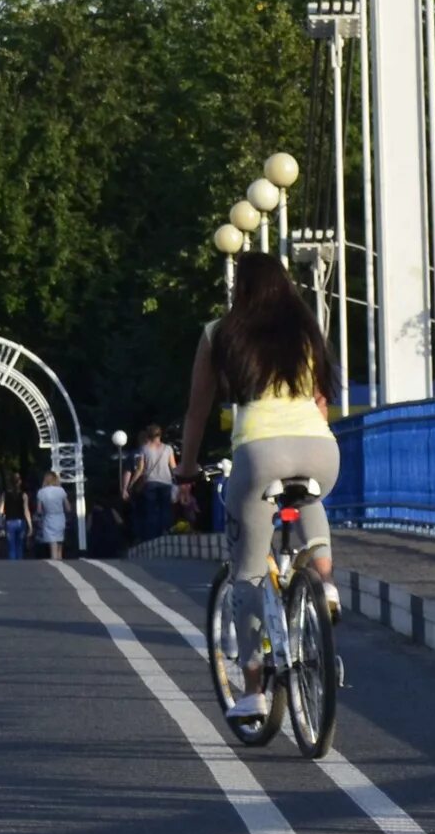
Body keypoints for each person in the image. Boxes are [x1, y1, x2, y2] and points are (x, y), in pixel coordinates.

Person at [179, 252, 339, 724]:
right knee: (308, 493)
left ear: (240, 289)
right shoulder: (307, 328)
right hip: (322, 451)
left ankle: (252, 690)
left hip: (258, 453)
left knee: (247, 571)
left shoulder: (219, 333)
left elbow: (197, 411)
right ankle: (326, 582)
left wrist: (187, 468)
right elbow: (321, 400)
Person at [125, 422, 179, 551]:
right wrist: (179, 482)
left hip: (150, 483)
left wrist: (131, 484)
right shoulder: (168, 449)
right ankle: (165, 532)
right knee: (165, 509)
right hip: (166, 483)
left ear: (148, 435)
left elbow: (140, 469)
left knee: (151, 511)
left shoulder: (144, 448)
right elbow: (173, 467)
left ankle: (152, 538)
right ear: (160, 435)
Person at [32, 471, 71, 557]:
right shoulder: (61, 491)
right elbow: (68, 508)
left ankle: (54, 562)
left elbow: (39, 510)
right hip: (60, 518)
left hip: (48, 518)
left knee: (53, 543)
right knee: (60, 543)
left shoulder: (41, 492)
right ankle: (60, 562)